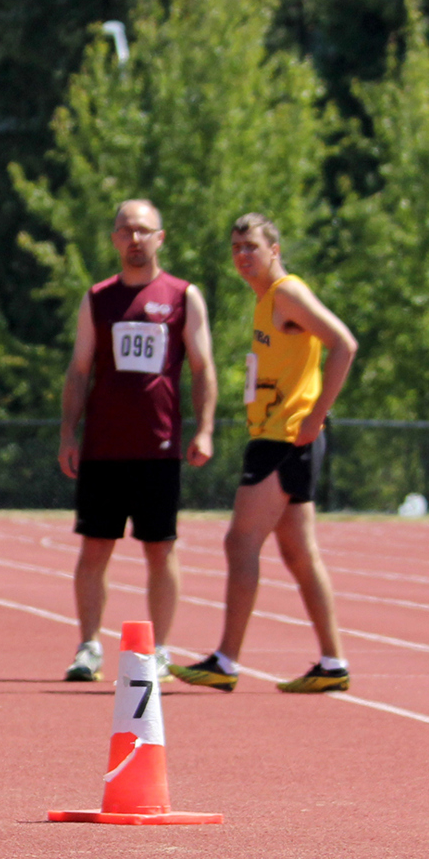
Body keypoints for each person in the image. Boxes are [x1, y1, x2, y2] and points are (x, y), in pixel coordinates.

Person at [172, 213, 358, 694]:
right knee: (298, 552)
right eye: (235, 247)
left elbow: (344, 344)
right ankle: (333, 662)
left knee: (240, 542)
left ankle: (226, 660)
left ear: (274, 249)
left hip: (285, 438)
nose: (242, 256)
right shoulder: (265, 303)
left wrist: (316, 416)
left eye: (251, 246)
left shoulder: (288, 293)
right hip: (276, 436)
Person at [55, 199, 216, 683]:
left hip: (159, 446)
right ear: (114, 239)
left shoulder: (183, 296)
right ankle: (88, 646)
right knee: (94, 550)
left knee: (160, 549)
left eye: (144, 230)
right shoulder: (99, 298)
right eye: (126, 231)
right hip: (104, 447)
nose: (135, 239)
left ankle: (160, 651)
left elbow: (203, 368)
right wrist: (68, 431)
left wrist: (205, 428)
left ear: (160, 238)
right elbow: (79, 369)